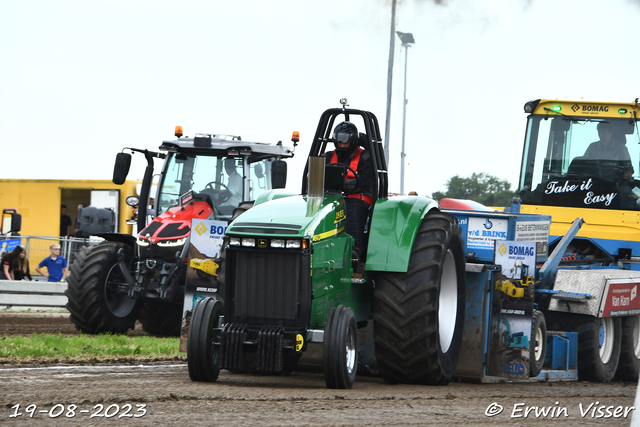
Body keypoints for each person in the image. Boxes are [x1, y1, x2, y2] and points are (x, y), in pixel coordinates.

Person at [325, 121, 375, 259]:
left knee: (351, 209)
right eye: (339, 140)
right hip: (330, 197)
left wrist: (344, 184)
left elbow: (365, 181)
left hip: (358, 197)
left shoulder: (365, 157)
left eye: (345, 141)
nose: (341, 144)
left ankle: (355, 250)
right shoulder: (327, 157)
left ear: (353, 140)